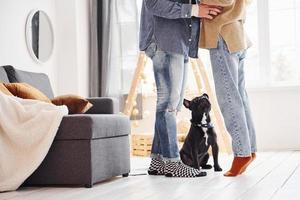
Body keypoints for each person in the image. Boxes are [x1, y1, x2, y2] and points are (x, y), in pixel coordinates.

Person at [139, 0, 222, 178]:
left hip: (180, 42)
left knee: (171, 107)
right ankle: (173, 162)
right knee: (168, 105)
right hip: (165, 42)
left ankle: (158, 160)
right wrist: (195, 9)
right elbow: (153, 4)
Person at [199, 0, 257, 176]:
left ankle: (241, 153)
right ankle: (249, 150)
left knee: (229, 99)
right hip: (236, 33)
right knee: (240, 98)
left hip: (223, 35)